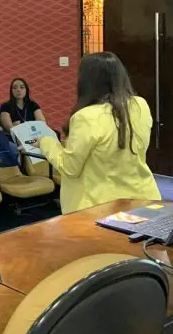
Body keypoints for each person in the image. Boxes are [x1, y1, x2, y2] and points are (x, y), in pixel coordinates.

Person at [37, 52, 161, 214]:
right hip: (142, 200)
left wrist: (46, 142)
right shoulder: (140, 105)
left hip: (99, 207)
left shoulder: (85, 117)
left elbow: (69, 167)